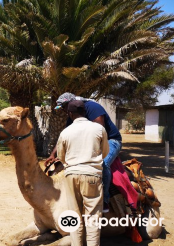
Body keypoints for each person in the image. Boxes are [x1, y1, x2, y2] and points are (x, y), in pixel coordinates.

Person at [45, 92, 122, 213]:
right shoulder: (72, 116)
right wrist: (53, 154)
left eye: (64, 107)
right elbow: (65, 135)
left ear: (71, 104)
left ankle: (105, 200)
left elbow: (98, 133)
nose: (64, 111)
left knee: (103, 163)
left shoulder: (93, 107)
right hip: (90, 142)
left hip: (110, 140)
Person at [57, 100, 109, 246]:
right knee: (93, 218)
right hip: (92, 175)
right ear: (85, 112)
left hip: (71, 175)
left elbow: (61, 156)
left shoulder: (65, 132)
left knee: (74, 216)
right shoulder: (98, 129)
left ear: (70, 113)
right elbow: (104, 152)